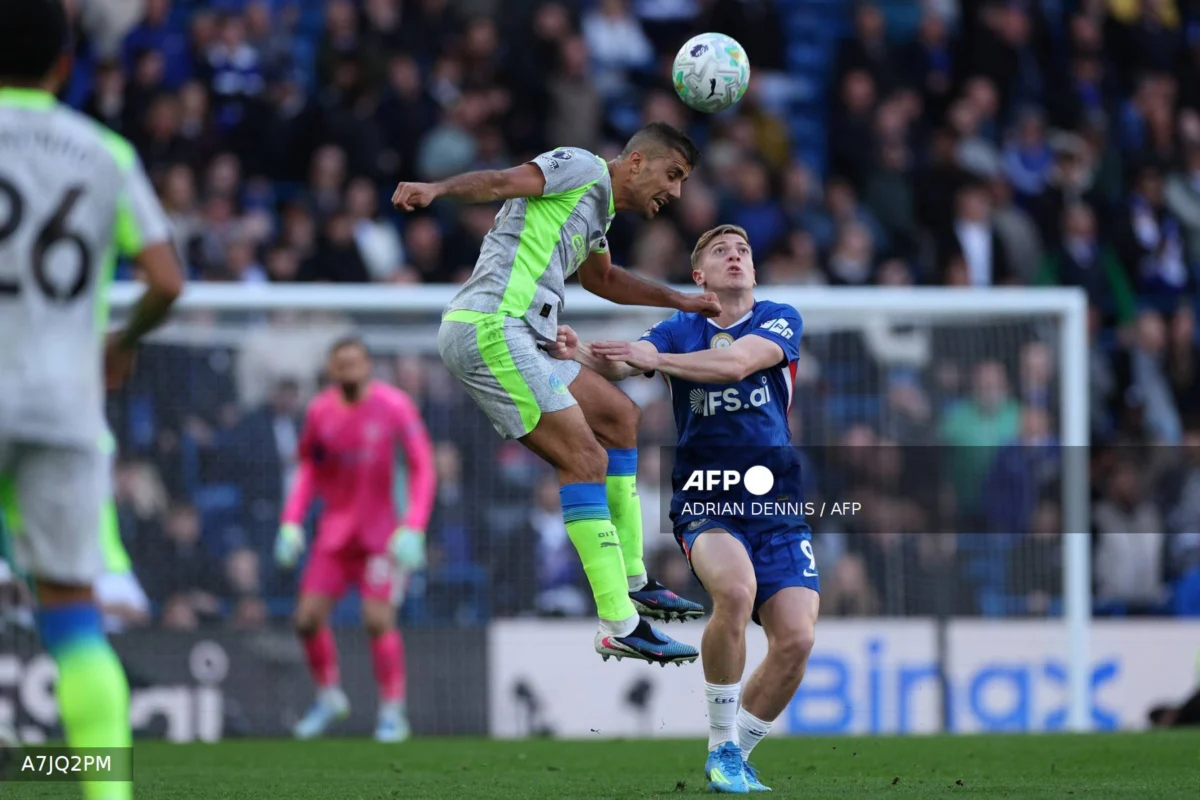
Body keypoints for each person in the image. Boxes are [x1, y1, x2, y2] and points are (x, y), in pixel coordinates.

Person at [392, 123, 712, 665]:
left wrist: (680, 301)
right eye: (673, 174)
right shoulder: (581, 167)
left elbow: (603, 280)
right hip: (492, 327)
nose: (676, 192)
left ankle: (634, 580)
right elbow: (502, 181)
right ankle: (620, 623)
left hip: (526, 337)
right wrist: (438, 189)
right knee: (585, 459)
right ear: (637, 162)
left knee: (620, 417)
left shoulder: (598, 210)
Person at [550, 225, 820, 793]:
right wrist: (582, 353)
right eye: (721, 251)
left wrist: (658, 360)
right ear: (699, 276)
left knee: (797, 639)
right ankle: (721, 745)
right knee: (737, 592)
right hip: (706, 496)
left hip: (777, 505)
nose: (735, 256)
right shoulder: (679, 326)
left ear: (754, 270)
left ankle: (736, 752)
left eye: (743, 250)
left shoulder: (779, 318)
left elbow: (737, 365)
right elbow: (625, 365)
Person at [0, 2, 184, 798]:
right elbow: (165, 278)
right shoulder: (103, 151)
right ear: (65, 65)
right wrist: (120, 342)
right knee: (73, 615)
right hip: (62, 401)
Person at [274, 337, 436, 742]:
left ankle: (393, 712)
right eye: (340, 363)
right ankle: (328, 697)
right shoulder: (320, 411)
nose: (347, 370)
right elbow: (309, 469)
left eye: (354, 362)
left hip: (383, 536)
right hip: (335, 536)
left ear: (368, 366)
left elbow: (423, 466)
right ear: (331, 369)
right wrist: (291, 522)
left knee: (377, 620)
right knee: (306, 620)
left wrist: (414, 525)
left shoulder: (395, 406)